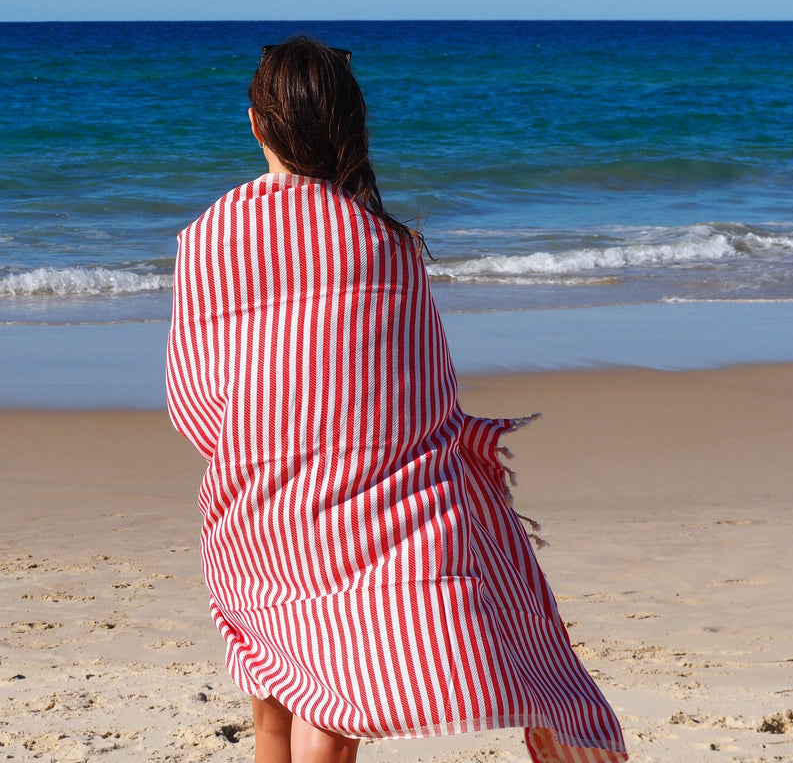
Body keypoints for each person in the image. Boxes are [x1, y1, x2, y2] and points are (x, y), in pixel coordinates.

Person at [165, 37, 627, 763]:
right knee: (334, 690)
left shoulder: (206, 241)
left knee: (273, 689)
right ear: (353, 127)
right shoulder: (388, 246)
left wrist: (269, 453)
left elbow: (193, 403)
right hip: (369, 521)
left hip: (255, 515)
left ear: (255, 123)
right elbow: (430, 406)